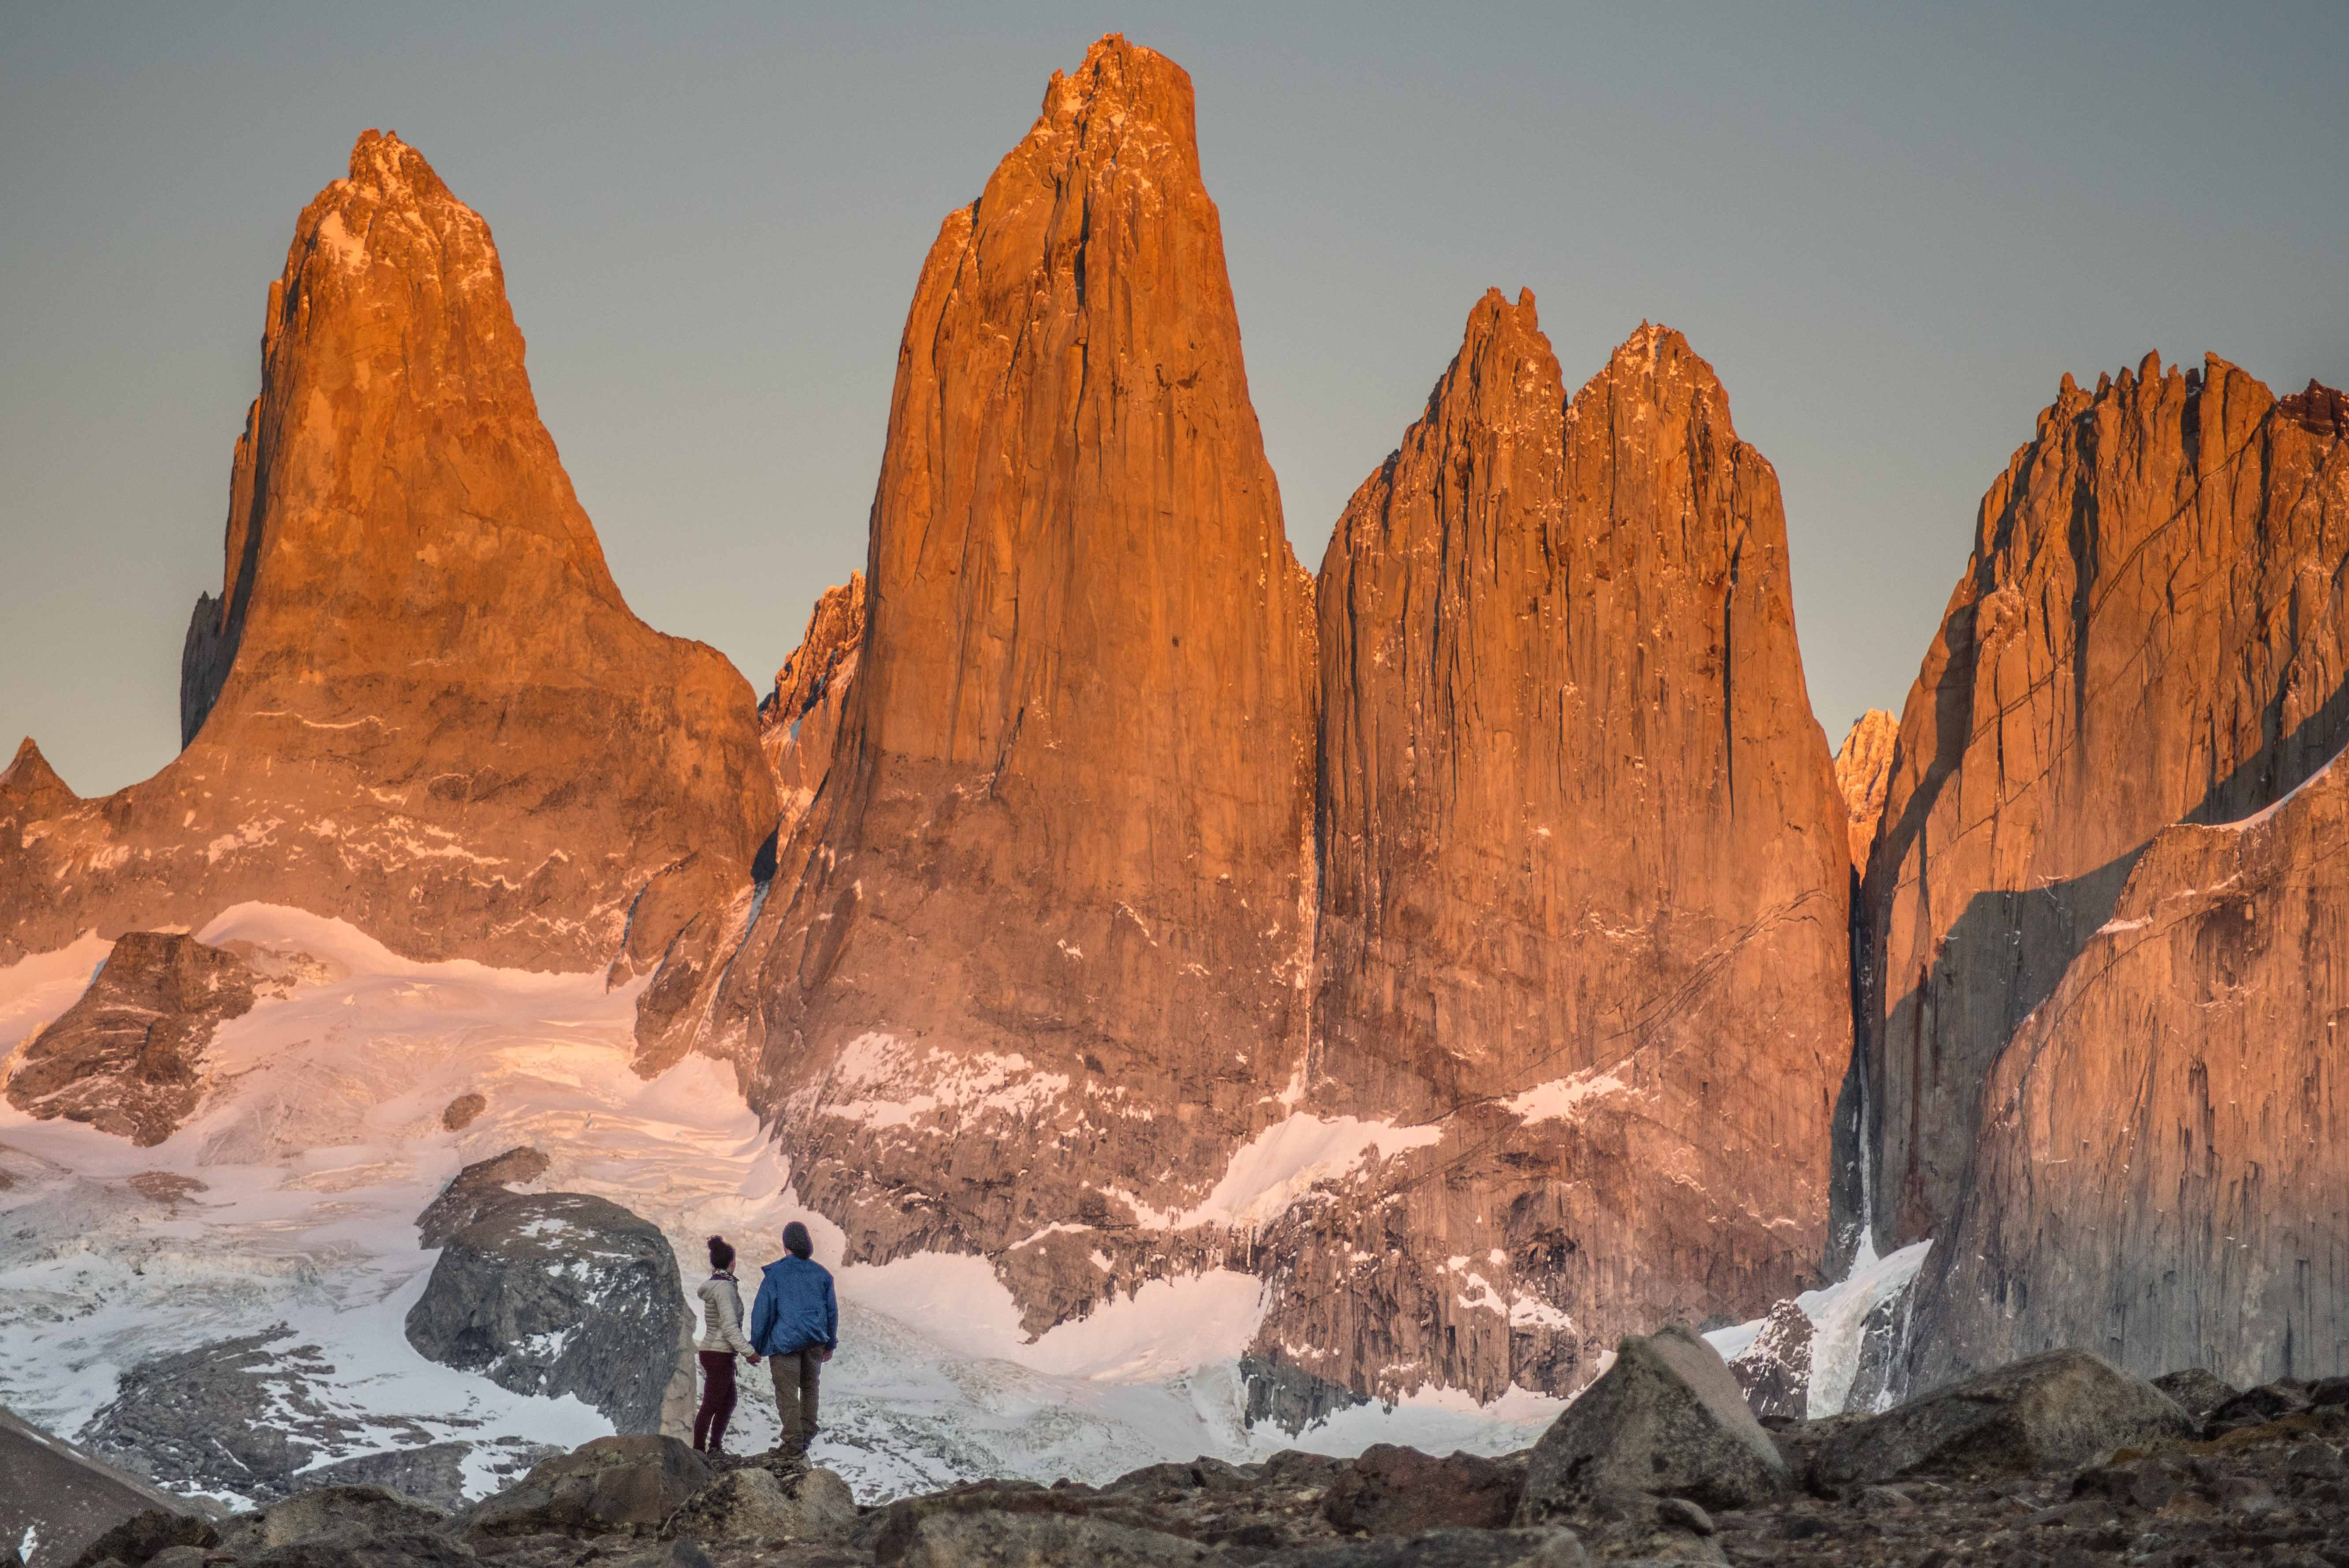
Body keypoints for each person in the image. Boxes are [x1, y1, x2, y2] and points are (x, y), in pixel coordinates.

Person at [747, 1220, 837, 1453]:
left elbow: (763, 1312)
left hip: (785, 1342)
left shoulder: (776, 1273)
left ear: (786, 1244)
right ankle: (806, 1437)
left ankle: (793, 1441)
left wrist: (756, 1345)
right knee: (810, 1387)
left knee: (787, 1391)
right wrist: (830, 1343)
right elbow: (831, 1312)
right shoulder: (822, 1274)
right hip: (815, 1340)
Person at [693, 1235, 760, 1455]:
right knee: (712, 1405)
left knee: (728, 1401)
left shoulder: (716, 1286)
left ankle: (713, 1448)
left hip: (713, 1351)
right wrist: (749, 1353)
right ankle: (700, 1452)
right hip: (719, 1353)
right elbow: (730, 1327)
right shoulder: (725, 1289)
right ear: (732, 1262)